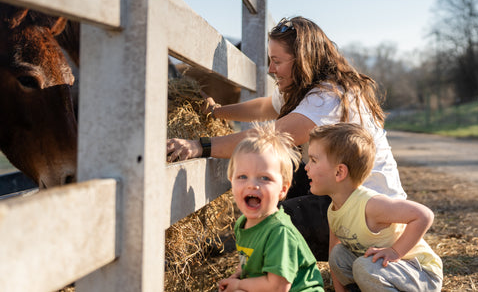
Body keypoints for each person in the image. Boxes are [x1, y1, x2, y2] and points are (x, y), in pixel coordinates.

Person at [167, 16, 406, 261]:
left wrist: (200, 146)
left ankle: (273, 271)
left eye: (277, 61)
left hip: (370, 219)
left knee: (269, 225)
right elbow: (263, 107)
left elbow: (267, 138)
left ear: (302, 60)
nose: (271, 69)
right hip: (345, 194)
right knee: (281, 176)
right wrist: (217, 111)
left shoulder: (327, 97)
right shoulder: (305, 88)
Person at [306, 123, 443, 292]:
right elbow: (335, 258)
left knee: (364, 267)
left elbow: (424, 215)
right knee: (337, 255)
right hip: (383, 270)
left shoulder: (371, 204)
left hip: (420, 273)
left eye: (313, 160)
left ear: (339, 172)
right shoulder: (334, 209)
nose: (306, 167)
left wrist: (395, 251)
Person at [218, 122, 324, 292]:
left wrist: (239, 285)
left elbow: (278, 287)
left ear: (283, 189)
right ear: (231, 181)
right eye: (242, 176)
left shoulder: (279, 232)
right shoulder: (242, 224)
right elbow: (248, 261)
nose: (252, 185)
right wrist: (236, 276)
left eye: (265, 178)